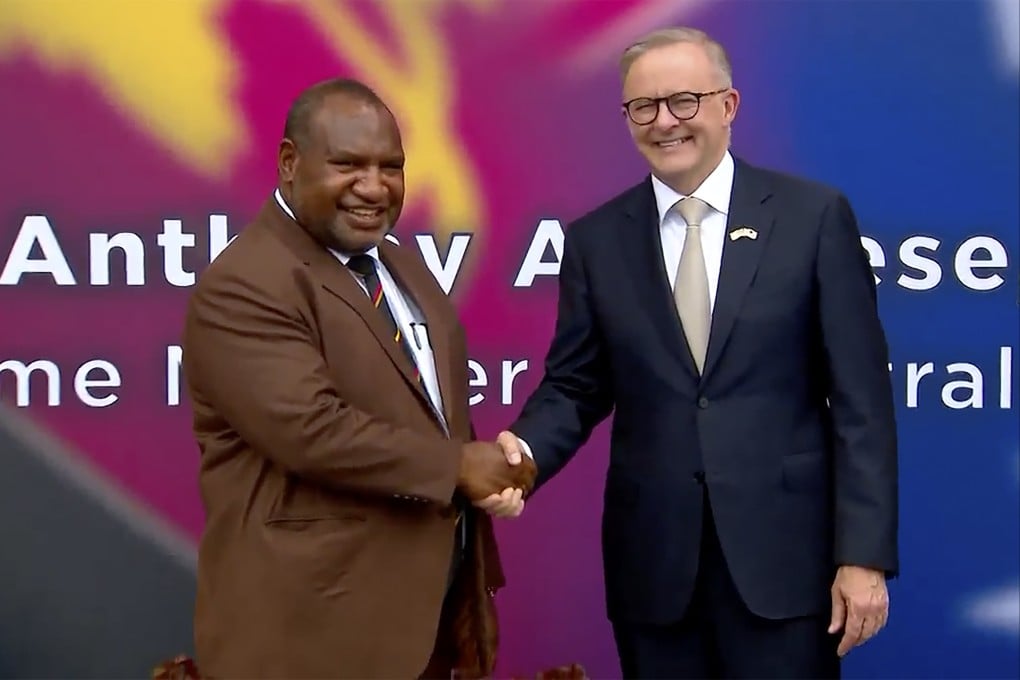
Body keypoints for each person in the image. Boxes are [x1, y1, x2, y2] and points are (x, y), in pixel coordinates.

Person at [493, 27, 898, 678]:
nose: (664, 122)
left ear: (728, 106)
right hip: (655, 574)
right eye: (643, 107)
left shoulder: (811, 218)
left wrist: (864, 556)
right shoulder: (597, 241)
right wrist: (522, 452)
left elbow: (862, 404)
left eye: (683, 101)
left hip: (786, 571)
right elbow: (575, 386)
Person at [181, 77, 535, 679]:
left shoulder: (395, 262)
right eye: (348, 164)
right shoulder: (247, 281)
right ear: (290, 164)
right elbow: (309, 430)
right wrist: (457, 466)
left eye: (390, 167)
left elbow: (428, 407)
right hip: (310, 636)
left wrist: (493, 468)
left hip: (416, 627)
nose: (374, 188)